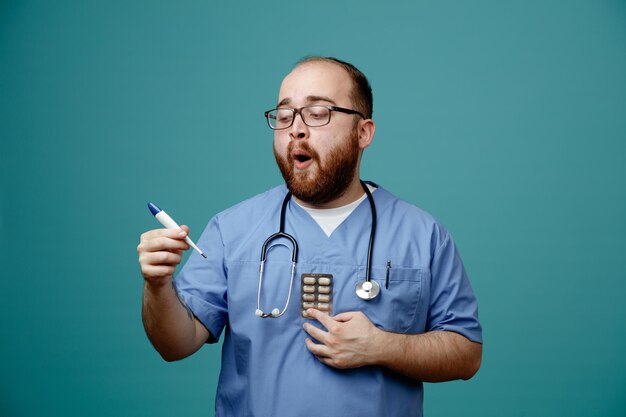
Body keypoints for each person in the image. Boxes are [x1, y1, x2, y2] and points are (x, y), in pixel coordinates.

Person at [137, 56, 482, 417]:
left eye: (317, 113)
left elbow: (466, 353)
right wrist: (158, 286)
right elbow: (175, 344)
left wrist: (382, 346)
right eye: (285, 116)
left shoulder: (423, 235)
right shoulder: (232, 229)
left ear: (363, 132)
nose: (296, 129)